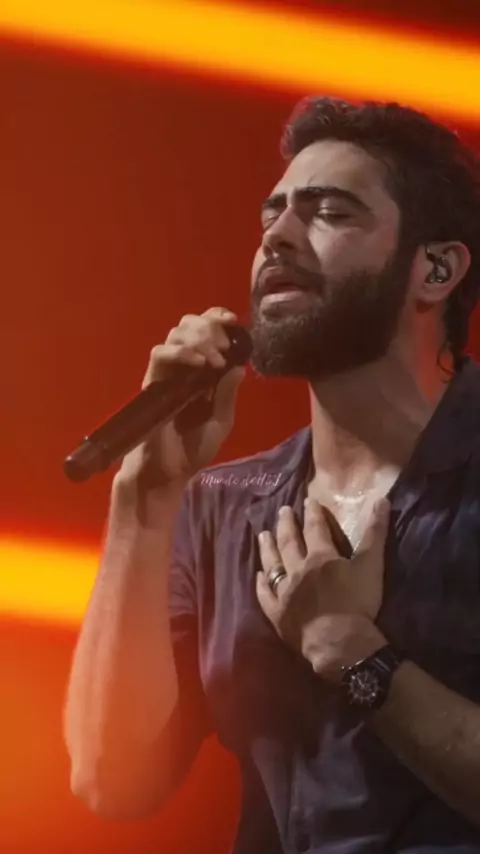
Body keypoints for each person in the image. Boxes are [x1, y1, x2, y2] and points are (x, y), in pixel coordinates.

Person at [64, 96, 480, 853]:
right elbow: (112, 780)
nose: (277, 237)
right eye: (273, 214)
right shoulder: (223, 505)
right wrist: (145, 503)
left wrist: (350, 651)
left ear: (436, 269)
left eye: (330, 213)